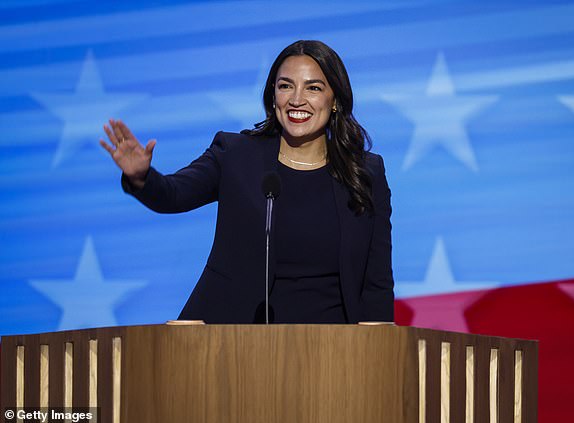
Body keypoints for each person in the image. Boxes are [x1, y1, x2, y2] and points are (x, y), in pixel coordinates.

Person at [100, 40, 393, 324]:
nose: (296, 99)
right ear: (273, 96)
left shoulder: (365, 172)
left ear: (336, 101)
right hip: (236, 343)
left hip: (334, 352)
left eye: (313, 88)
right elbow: (173, 194)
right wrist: (141, 177)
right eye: (285, 86)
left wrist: (375, 349)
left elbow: (376, 281)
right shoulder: (236, 155)